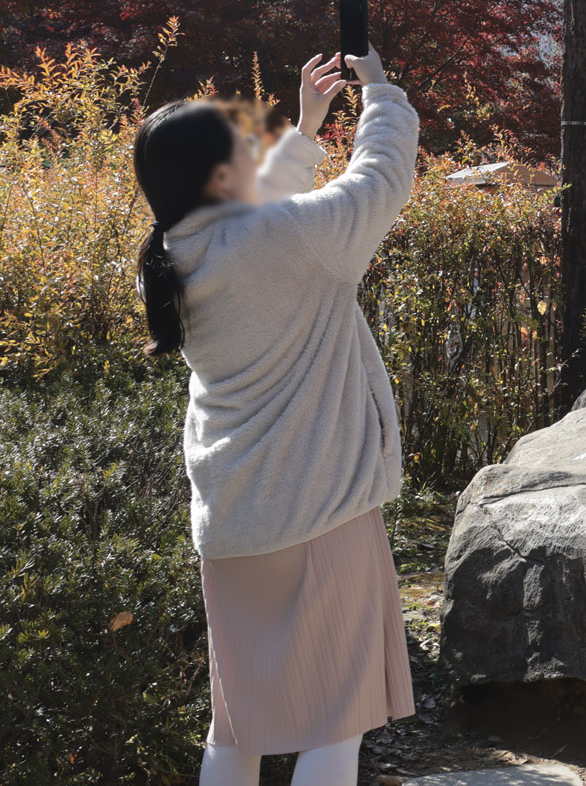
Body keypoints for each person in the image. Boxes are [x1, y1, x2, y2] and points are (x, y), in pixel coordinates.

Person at [133, 48, 420, 786]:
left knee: (240, 727)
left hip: (234, 526)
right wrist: (381, 95)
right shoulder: (285, 241)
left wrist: (306, 129)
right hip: (321, 513)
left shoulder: (180, 252)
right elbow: (381, 178)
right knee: (336, 722)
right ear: (222, 176)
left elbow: (258, 219)